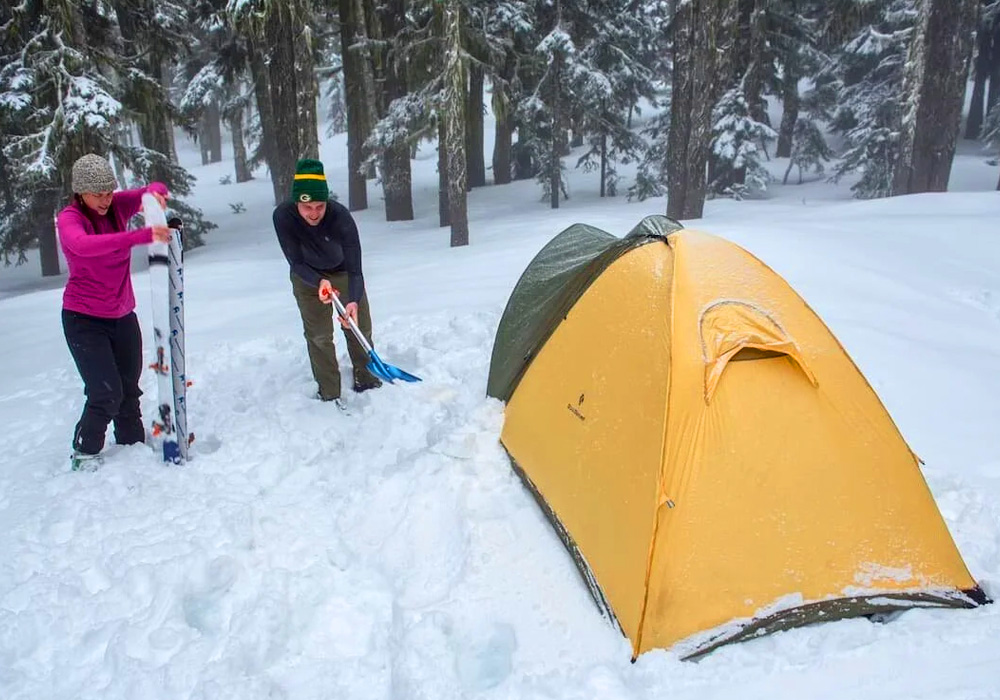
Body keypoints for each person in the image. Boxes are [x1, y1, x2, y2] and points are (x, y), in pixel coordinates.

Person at [56, 153, 171, 469]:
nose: (106, 200)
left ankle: (131, 448)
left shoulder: (116, 205)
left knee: (129, 391)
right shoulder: (70, 219)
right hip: (84, 320)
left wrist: (157, 193)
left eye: (109, 192)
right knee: (105, 392)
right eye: (98, 194)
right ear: (81, 193)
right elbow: (84, 245)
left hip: (122, 316)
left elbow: (152, 189)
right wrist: (140, 236)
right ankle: (85, 451)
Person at [273, 158, 382, 406]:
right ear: (297, 203)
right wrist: (319, 281)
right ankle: (329, 392)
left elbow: (356, 271)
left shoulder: (340, 217)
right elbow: (295, 261)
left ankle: (367, 380)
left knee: (359, 327)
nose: (314, 213)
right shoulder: (283, 216)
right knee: (319, 336)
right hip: (307, 276)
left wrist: (353, 301)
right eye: (307, 207)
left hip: (343, 272)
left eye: (319, 206)